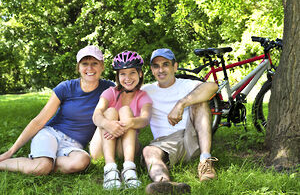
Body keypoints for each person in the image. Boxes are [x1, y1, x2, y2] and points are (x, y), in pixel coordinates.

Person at [0, 45, 114, 175]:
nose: (90, 68)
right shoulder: (66, 87)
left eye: (95, 63)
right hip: (51, 134)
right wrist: (10, 151)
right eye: (85, 64)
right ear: (78, 68)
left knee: (81, 162)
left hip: (74, 146)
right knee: (40, 168)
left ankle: (46, 163)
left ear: (102, 66)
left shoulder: (109, 89)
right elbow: (39, 120)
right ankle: (8, 163)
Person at [142, 48, 219, 194]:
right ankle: (165, 184)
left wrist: (181, 104)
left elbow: (213, 86)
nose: (161, 70)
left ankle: (205, 161)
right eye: (156, 66)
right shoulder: (146, 90)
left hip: (192, 136)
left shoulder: (187, 84)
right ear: (152, 70)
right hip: (166, 143)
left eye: (165, 64)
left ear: (175, 66)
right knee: (149, 150)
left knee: (200, 102)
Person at [91, 51, 152, 190]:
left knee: (125, 111)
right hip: (101, 148)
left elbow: (145, 119)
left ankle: (129, 168)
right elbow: (96, 115)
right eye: (123, 74)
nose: (127, 78)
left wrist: (127, 124)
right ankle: (110, 168)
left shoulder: (143, 96)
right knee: (111, 111)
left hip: (125, 148)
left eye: (132, 73)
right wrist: (109, 125)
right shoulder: (110, 92)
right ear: (118, 76)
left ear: (140, 74)